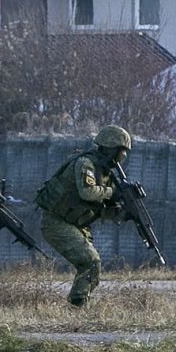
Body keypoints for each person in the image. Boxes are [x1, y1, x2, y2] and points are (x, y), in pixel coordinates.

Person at [34, 125, 132, 307]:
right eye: (122, 151)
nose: (123, 156)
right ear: (111, 149)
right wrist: (112, 192)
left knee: (91, 264)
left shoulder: (105, 172)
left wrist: (123, 213)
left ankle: (78, 303)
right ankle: (77, 305)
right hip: (56, 222)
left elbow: (99, 208)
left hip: (74, 223)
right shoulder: (86, 163)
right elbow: (87, 192)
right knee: (91, 261)